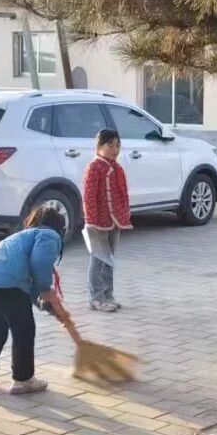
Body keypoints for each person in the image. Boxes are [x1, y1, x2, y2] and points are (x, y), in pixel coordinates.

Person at [0, 205, 65, 395]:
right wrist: (46, 288)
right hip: (8, 284)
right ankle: (23, 380)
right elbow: (40, 263)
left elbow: (29, 288)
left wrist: (47, 306)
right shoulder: (49, 235)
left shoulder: (20, 237)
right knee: (24, 330)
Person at [83, 128, 131, 311]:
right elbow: (89, 196)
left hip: (115, 221)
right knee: (98, 258)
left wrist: (124, 214)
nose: (114, 149)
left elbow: (123, 194)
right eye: (110, 145)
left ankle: (108, 294)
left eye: (117, 145)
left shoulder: (118, 169)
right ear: (99, 146)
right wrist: (91, 221)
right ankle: (96, 298)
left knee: (109, 259)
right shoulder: (94, 167)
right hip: (98, 223)